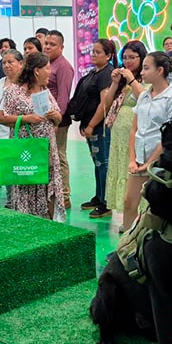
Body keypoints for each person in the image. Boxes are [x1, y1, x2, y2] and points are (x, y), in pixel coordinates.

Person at [0, 52, 64, 221]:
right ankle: (27, 222)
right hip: (26, 149)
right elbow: (2, 118)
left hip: (46, 148)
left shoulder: (45, 90)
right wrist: (26, 119)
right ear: (36, 71)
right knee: (27, 181)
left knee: (47, 184)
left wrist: (55, 116)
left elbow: (58, 117)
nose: (50, 72)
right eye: (47, 68)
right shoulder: (14, 91)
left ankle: (49, 223)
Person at [123, 51, 172, 229]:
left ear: (159, 71)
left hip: (159, 164)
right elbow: (134, 128)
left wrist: (148, 164)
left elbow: (168, 138)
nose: (141, 72)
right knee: (129, 203)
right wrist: (133, 160)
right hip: (138, 162)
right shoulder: (143, 95)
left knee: (157, 207)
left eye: (146, 68)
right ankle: (127, 246)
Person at [102, 40, 148, 230]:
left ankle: (141, 217)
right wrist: (114, 83)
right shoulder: (121, 78)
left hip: (136, 131)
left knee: (135, 172)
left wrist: (131, 79)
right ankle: (126, 217)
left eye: (132, 57)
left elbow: (144, 98)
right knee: (120, 169)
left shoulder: (146, 77)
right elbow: (106, 101)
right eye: (125, 57)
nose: (128, 61)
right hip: (118, 133)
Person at [70, 39, 117, 218]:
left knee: (103, 163)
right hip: (91, 126)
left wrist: (91, 125)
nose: (93, 55)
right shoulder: (95, 72)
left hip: (100, 127)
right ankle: (99, 196)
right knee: (97, 163)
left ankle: (106, 203)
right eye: (93, 51)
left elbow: (105, 103)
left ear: (108, 56)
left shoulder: (106, 74)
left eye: (98, 52)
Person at [0, 49, 25, 189]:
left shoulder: (25, 84)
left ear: (21, 63)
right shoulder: (0, 82)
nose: (6, 65)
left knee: (18, 167)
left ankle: (18, 199)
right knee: (5, 167)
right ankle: (10, 199)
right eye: (4, 62)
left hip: (16, 132)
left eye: (10, 62)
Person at [44, 30, 75, 209]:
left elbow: (63, 97)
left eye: (52, 44)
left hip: (58, 120)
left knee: (59, 156)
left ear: (62, 47)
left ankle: (64, 194)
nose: (47, 46)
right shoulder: (47, 64)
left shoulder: (63, 66)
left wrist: (57, 121)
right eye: (46, 43)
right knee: (50, 157)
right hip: (46, 118)